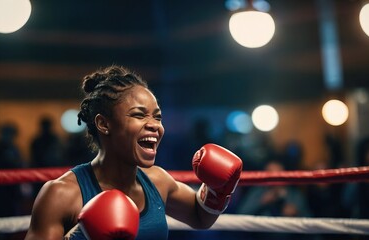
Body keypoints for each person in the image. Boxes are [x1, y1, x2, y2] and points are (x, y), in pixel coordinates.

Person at [25, 65, 243, 239]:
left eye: (157, 117)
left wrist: (218, 190)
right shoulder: (61, 194)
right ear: (103, 124)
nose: (154, 125)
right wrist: (79, 236)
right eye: (139, 115)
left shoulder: (157, 181)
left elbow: (199, 217)